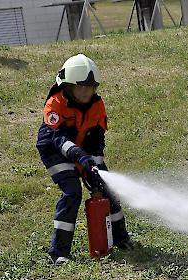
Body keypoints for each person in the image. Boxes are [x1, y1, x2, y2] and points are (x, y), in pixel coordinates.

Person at [36, 54, 132, 265]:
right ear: (68, 85)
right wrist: (80, 157)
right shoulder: (55, 104)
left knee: (107, 189)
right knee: (72, 192)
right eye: (80, 86)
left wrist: (94, 168)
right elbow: (58, 139)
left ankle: (121, 238)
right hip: (54, 150)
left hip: (85, 152)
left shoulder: (97, 105)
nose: (85, 91)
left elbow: (97, 139)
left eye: (90, 87)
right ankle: (59, 252)